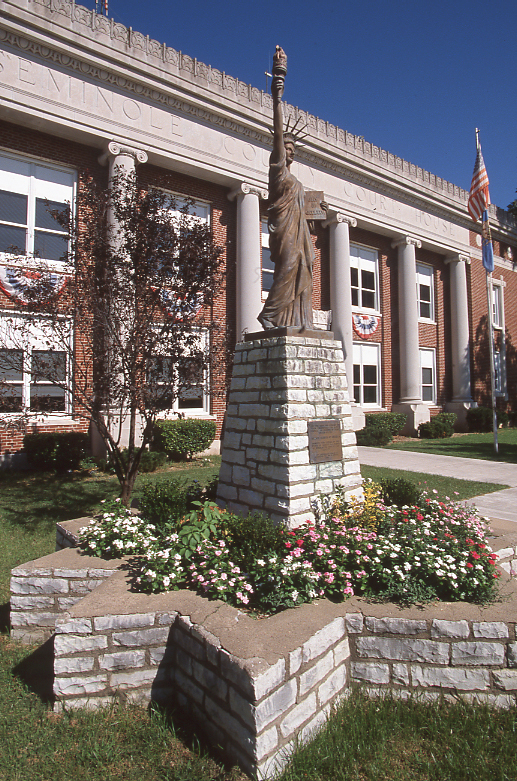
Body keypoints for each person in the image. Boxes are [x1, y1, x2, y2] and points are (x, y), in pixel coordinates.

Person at [258, 47, 314, 330]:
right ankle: (269, 315)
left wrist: (316, 213)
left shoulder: (298, 183)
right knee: (288, 266)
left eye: (292, 149)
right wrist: (277, 96)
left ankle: (301, 321)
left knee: (304, 266)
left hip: (300, 232)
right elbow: (278, 135)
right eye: (285, 148)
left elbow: (304, 211)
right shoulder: (278, 171)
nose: (288, 151)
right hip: (284, 232)